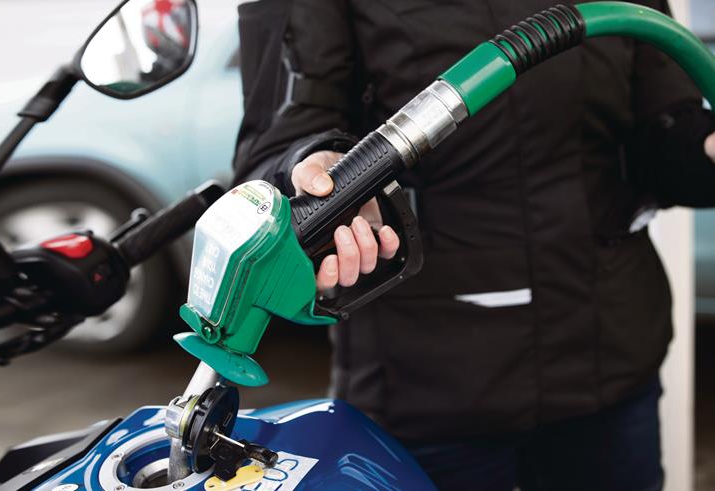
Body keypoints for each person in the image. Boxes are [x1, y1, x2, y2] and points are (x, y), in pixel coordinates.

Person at [232, 1, 715, 489]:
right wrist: (321, 169)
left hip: (609, 369)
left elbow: (666, 135)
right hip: (427, 392)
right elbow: (276, 143)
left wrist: (706, 149)